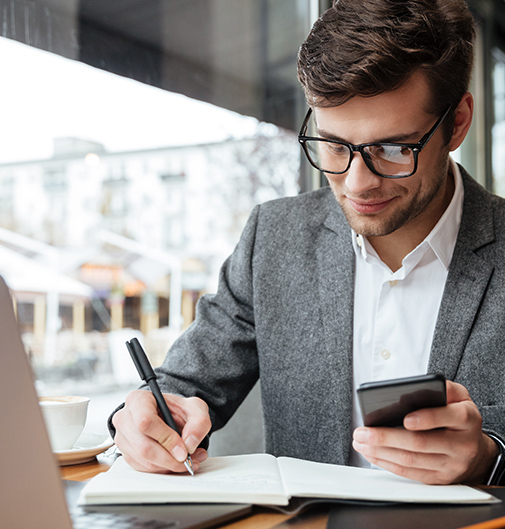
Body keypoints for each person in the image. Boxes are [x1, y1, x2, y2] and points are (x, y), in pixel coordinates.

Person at [110, 0, 505, 486]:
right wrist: (142, 421)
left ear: (459, 123)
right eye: (334, 145)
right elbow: (181, 389)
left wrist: (490, 457)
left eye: (393, 149)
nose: (358, 184)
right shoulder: (273, 240)